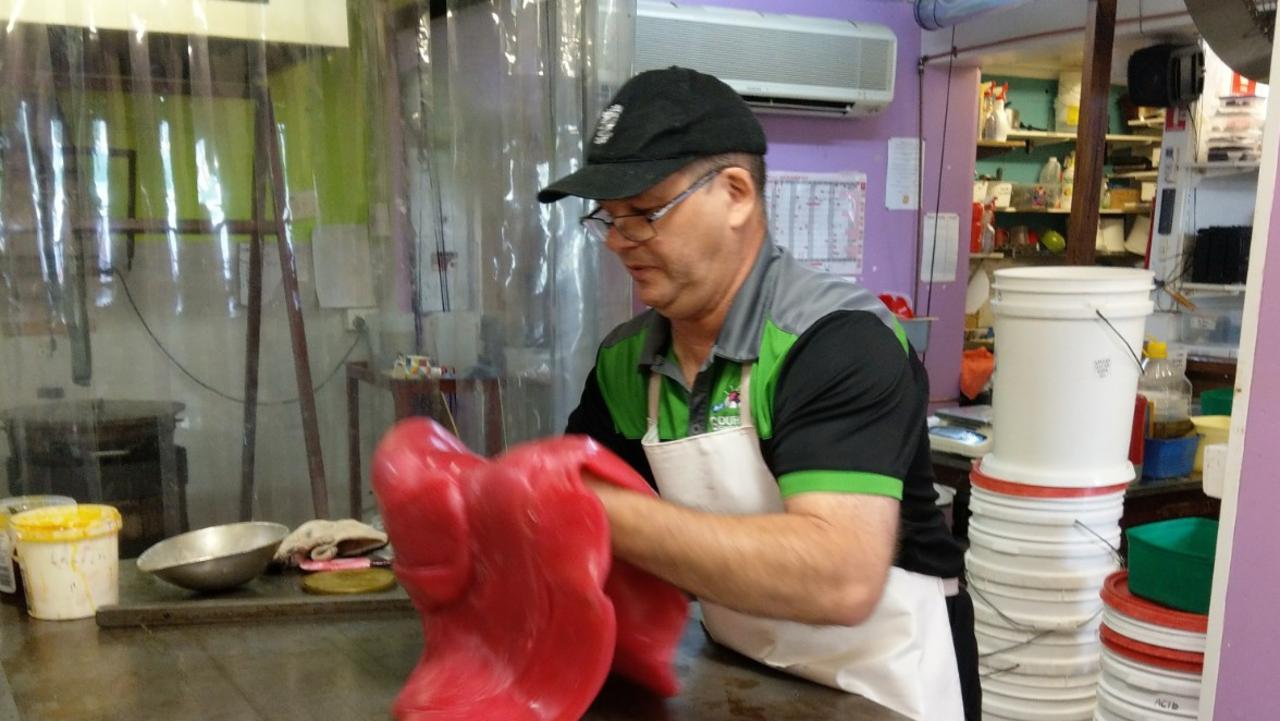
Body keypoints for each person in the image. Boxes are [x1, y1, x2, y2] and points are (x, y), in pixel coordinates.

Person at [538, 66, 979, 721]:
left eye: (645, 212)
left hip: (889, 684)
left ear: (736, 193)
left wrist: (601, 512)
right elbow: (584, 529)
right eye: (609, 218)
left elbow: (842, 573)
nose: (622, 242)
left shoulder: (834, 341)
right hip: (747, 675)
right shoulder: (628, 361)